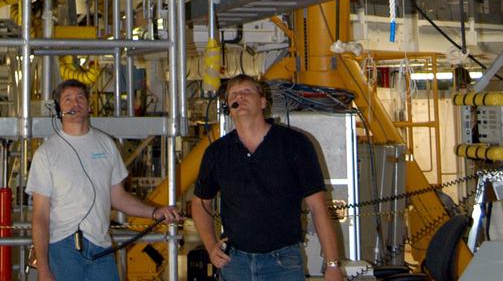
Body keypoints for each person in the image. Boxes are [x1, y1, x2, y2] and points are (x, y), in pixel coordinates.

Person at [191, 74, 345, 281]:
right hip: (235, 263)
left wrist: (333, 265)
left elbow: (318, 207)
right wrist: (210, 246)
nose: (241, 97)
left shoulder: (294, 144)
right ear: (229, 107)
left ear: (263, 102)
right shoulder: (217, 152)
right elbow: (201, 202)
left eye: (247, 92)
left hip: (283, 263)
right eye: (234, 94)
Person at [28, 79, 181, 281]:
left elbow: (118, 197)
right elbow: (40, 216)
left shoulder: (106, 144)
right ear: (59, 109)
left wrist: (154, 212)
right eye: (68, 99)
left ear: (89, 106)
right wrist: (44, 269)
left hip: (100, 246)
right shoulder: (46, 154)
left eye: (80, 98)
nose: (75, 103)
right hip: (63, 248)